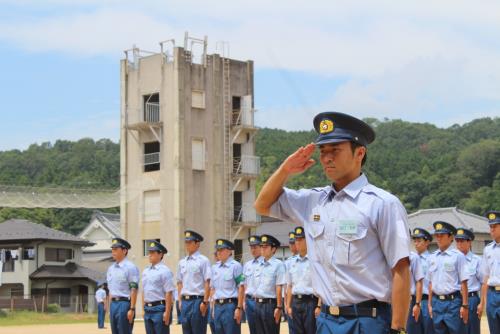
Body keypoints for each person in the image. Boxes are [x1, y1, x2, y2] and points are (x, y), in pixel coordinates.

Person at [254, 111, 411, 334]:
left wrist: (398, 329)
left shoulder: (382, 204)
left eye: (335, 150)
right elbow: (262, 205)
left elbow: (401, 269)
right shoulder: (313, 201)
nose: (327, 158)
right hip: (326, 320)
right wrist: (285, 170)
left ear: (359, 153)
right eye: (323, 151)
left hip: (368, 322)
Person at [427, 221, 468, 334]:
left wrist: (464, 305)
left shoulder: (458, 256)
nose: (438, 238)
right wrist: (430, 304)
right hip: (436, 303)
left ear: (450, 237)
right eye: (437, 236)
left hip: (453, 303)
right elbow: (430, 283)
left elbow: (464, 282)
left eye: (442, 235)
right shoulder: (432, 257)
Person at [177, 230, 211, 334]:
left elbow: (207, 281)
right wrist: (180, 300)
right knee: (186, 331)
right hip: (185, 302)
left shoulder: (203, 260)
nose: (187, 245)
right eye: (186, 242)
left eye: (190, 242)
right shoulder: (182, 262)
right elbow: (179, 282)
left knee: (198, 331)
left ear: (197, 243)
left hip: (197, 301)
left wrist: (205, 301)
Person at [286, 226, 318, 334]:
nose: (297, 243)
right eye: (296, 240)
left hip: (310, 302)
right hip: (296, 302)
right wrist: (288, 306)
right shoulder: (291, 262)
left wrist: (319, 305)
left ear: (307, 240)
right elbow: (290, 286)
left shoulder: (315, 260)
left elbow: (321, 285)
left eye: (300, 240)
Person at [253, 234, 286, 334]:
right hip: (257, 304)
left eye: (266, 247)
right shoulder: (258, 264)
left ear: (273, 249)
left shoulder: (278, 264)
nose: (263, 249)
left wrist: (279, 307)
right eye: (262, 246)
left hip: (270, 305)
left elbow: (279, 287)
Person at [210, 239, 245, 334]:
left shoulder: (236, 266)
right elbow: (213, 289)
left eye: (221, 250)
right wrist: (213, 308)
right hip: (217, 306)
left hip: (230, 306)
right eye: (218, 250)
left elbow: (241, 287)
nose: (219, 252)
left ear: (229, 251)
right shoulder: (214, 268)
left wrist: (239, 308)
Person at [107, 238, 140, 334]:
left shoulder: (130, 267)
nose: (113, 252)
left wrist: (132, 309)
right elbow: (110, 290)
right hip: (113, 305)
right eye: (112, 249)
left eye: (116, 249)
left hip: (124, 304)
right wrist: (110, 309)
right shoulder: (111, 269)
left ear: (124, 251)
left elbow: (133, 289)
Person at [142, 240, 175, 334]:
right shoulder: (145, 272)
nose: (150, 255)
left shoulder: (165, 271)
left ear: (160, 254)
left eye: (153, 252)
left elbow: (168, 292)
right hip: (148, 309)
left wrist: (167, 312)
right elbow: (144, 291)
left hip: (159, 309)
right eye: (149, 252)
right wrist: (143, 309)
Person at [454, 228, 481, 334]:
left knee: (472, 330)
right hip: (455, 299)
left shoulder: (477, 260)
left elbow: (483, 282)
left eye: (462, 241)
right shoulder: (452, 259)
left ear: (469, 242)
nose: (459, 244)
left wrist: (482, 303)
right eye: (457, 241)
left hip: (471, 299)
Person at [478, 210, 500, 333]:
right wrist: (483, 302)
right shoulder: (487, 250)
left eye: (495, 226)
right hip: (492, 295)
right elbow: (486, 277)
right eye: (490, 227)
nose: (492, 230)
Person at [411, 228, 435, 334]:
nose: (416, 244)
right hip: (412, 301)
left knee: (428, 329)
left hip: (426, 300)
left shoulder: (432, 259)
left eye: (419, 241)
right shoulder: (410, 258)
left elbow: (433, 282)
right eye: (415, 241)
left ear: (427, 242)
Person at [242, 235, 262, 334]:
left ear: (261, 247)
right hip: (249, 302)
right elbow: (243, 283)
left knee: (262, 329)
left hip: (261, 302)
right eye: (251, 247)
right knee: (252, 329)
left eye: (255, 247)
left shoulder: (265, 263)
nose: (253, 250)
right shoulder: (246, 265)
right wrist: (243, 301)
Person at [407, 238, 424, 334]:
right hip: (391, 301)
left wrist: (417, 304)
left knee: (409, 330)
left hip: (409, 301)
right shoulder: (388, 256)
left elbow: (419, 281)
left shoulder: (413, 257)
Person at [284, 231, 298, 334]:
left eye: (294, 243)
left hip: (303, 300)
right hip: (290, 300)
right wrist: (286, 304)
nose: (292, 245)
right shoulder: (287, 262)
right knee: (292, 329)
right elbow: (286, 285)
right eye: (290, 243)